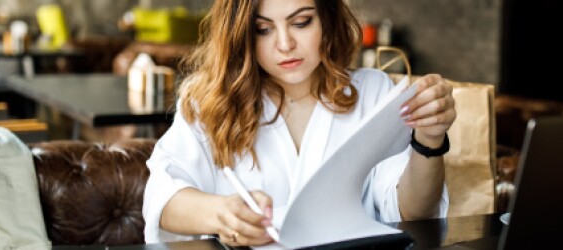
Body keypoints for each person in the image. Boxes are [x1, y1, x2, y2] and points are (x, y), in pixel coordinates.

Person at [142, 0, 456, 247]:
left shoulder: (373, 94)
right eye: (263, 30)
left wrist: (429, 140)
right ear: (241, 36)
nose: (285, 44)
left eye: (301, 22)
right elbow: (164, 198)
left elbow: (415, 213)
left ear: (327, 19)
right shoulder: (209, 102)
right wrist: (223, 215)